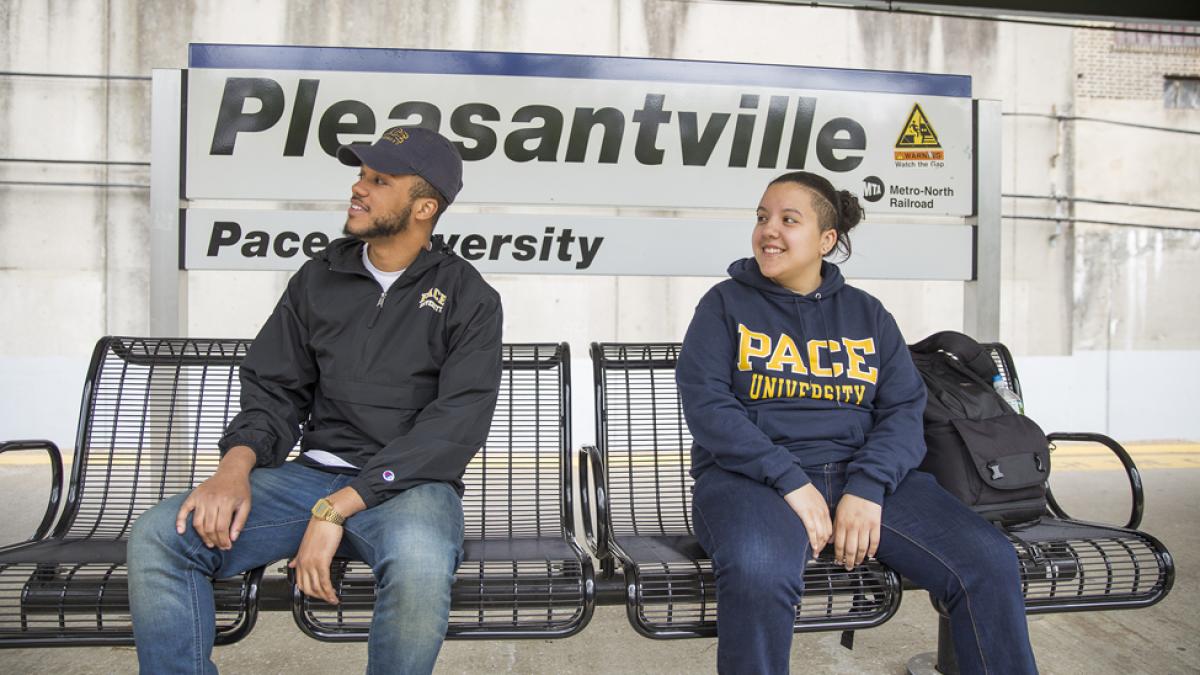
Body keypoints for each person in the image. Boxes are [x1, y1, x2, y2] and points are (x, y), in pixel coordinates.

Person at [128, 126, 503, 675]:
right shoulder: (318, 279)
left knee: (421, 564)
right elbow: (275, 386)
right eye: (360, 175)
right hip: (310, 477)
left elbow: (455, 427)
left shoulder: (469, 297)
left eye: (379, 180)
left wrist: (340, 506)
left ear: (424, 206)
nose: (359, 188)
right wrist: (235, 466)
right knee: (162, 536)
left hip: (408, 488)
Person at [676, 171, 1037, 675]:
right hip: (749, 483)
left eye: (788, 219)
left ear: (827, 240)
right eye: (762, 218)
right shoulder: (724, 305)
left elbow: (902, 411)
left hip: (862, 478)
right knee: (759, 572)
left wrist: (867, 486)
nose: (768, 230)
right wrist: (789, 480)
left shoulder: (868, 315)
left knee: (989, 562)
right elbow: (709, 407)